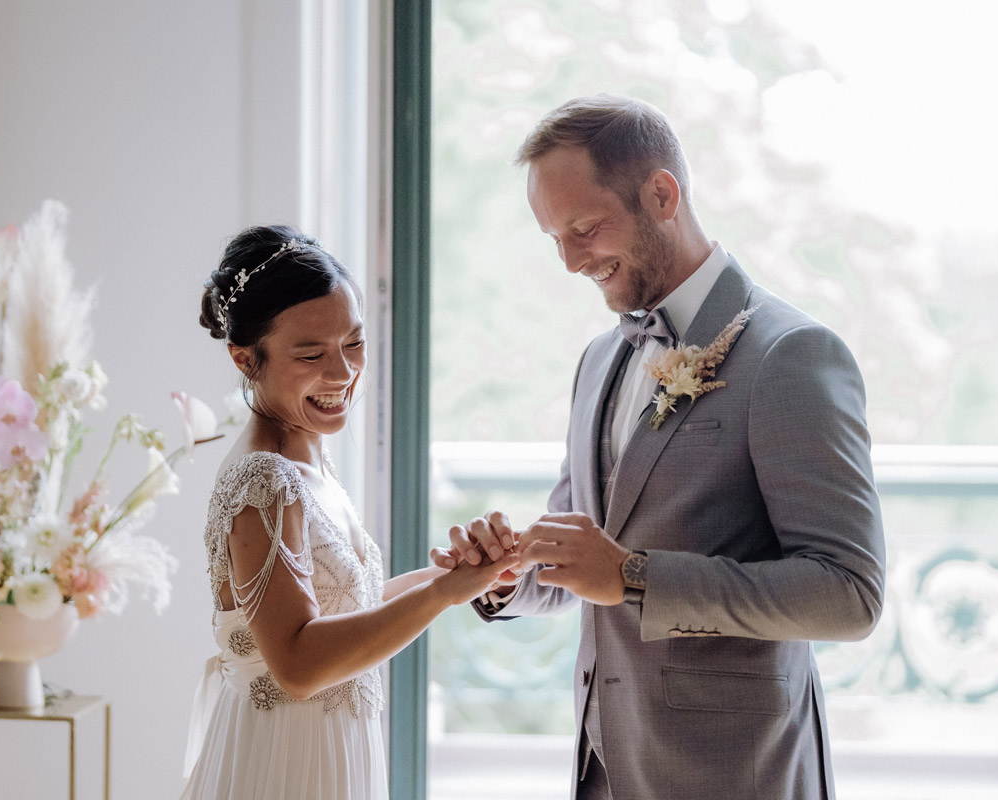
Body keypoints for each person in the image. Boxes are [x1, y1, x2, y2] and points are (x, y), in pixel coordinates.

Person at [436, 95, 886, 799]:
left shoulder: (791, 355)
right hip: (604, 765)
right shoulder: (596, 360)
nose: (571, 262)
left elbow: (848, 595)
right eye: (555, 239)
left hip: (737, 772)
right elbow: (584, 557)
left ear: (662, 193)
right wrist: (508, 576)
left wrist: (636, 576)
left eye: (584, 229)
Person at [181, 224, 509, 800]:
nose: (342, 374)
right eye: (310, 354)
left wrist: (457, 575)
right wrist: (443, 595)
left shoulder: (308, 458)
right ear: (245, 358)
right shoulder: (263, 477)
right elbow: (300, 664)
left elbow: (346, 609)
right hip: (285, 765)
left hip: (329, 753)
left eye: (353, 343)